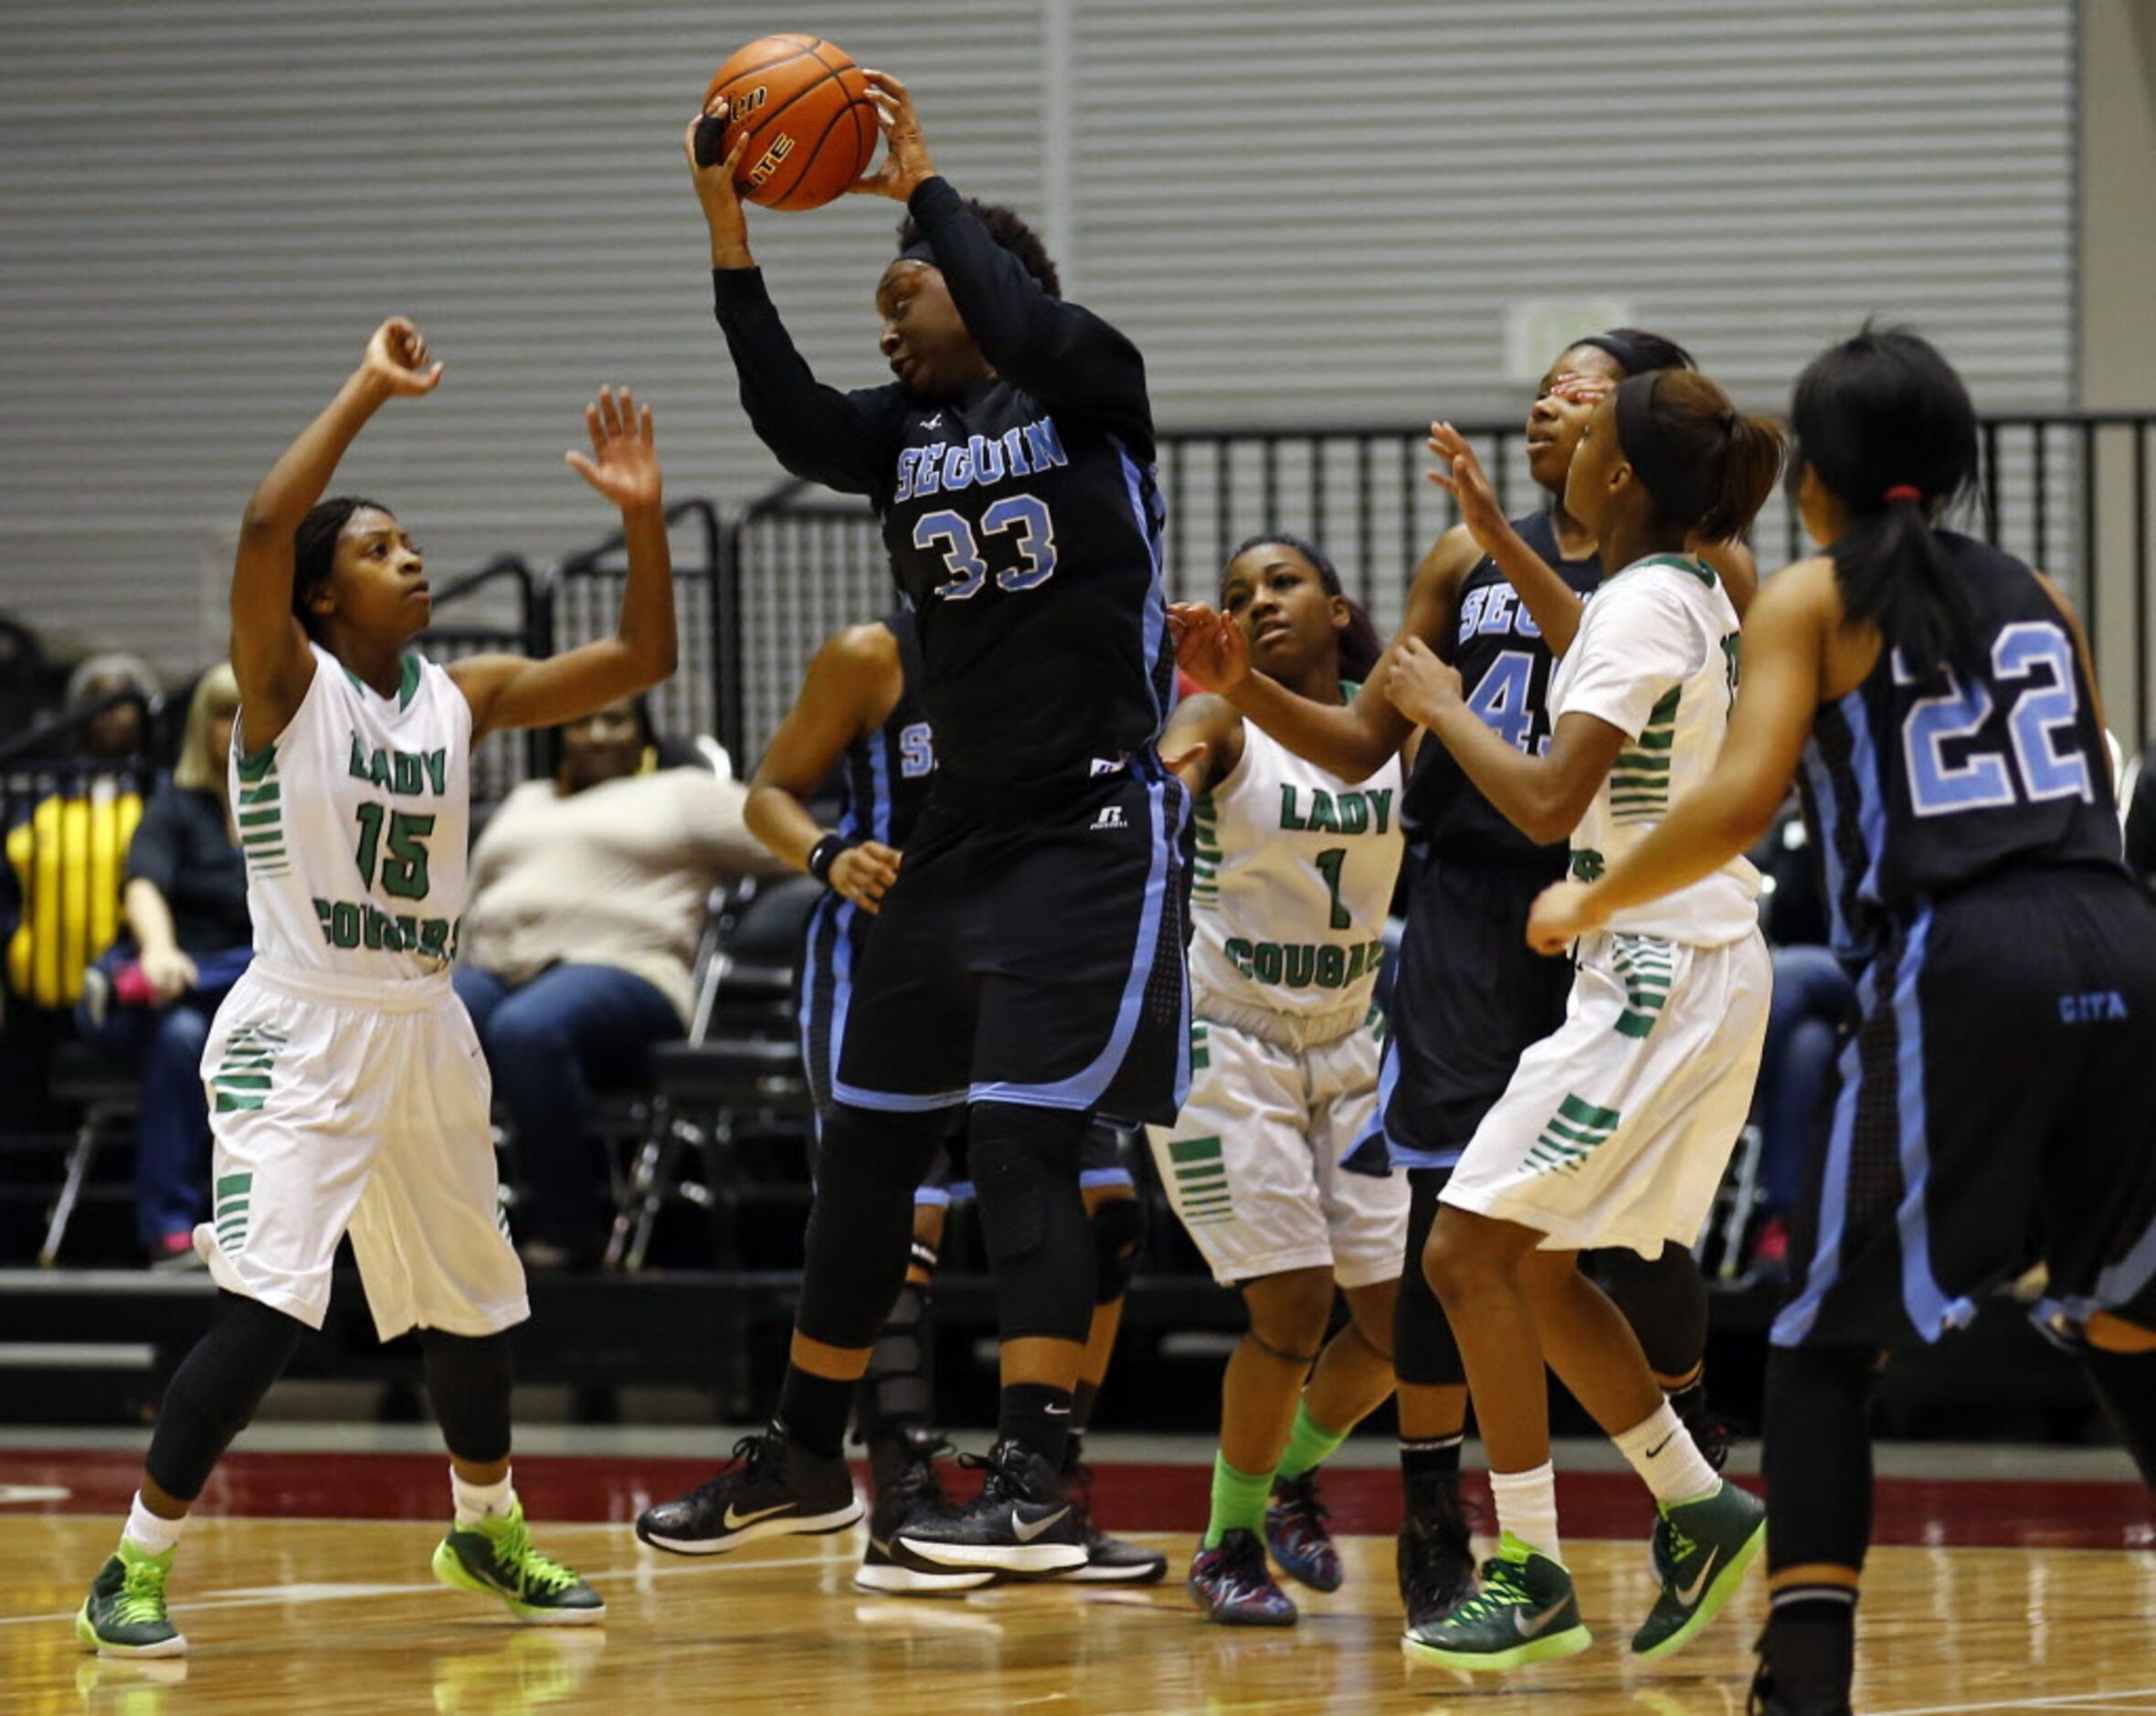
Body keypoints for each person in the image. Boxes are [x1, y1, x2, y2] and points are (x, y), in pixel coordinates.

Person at [1526, 326, 2156, 1716]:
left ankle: (1801, 1677)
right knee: (2126, 1319)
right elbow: (2095, 805)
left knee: (1818, 1349)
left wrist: (1593, 897)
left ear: (1814, 479)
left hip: (1969, 956)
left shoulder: (1812, 595)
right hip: (2123, 939)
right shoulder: (2043, 588)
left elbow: (1740, 805)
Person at [637, 70, 1188, 1580]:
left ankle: (1034, 1481)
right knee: (869, 1161)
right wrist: (724, 225)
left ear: (987, 289)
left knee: (1022, 1141)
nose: (887, 322)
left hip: (1091, 826)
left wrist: (926, 189)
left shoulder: (1094, 388)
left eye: (908, 294)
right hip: (954, 842)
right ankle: (806, 1459)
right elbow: (789, 412)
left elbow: (1021, 321)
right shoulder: (904, 432)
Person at [73, 318, 679, 1656]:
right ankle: (132, 1563)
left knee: (471, 1293)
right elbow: (259, 520)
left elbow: (639, 665)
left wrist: (642, 521)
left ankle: (485, 1523)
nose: (411, 559)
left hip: (426, 1022)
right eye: (376, 546)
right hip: (301, 1022)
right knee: (272, 1301)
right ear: (319, 594)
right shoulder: (286, 689)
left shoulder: (457, 694)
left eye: (411, 542)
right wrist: (368, 388)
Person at [1169, 331, 1749, 1636]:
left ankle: (1678, 1472)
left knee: (1604, 1247)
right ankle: (1462, 1527)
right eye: (1544, 387)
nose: (1549, 405)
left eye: (1583, 391)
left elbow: (1577, 771)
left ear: (1638, 437)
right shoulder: (1473, 560)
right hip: (1488, 918)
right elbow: (1374, 738)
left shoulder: (1683, 576)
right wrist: (1245, 684)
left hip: (1616, 914)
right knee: (1470, 1240)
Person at [1367, 364, 1781, 1670]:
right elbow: (1595, 638)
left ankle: (1533, 1565)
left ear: (1619, 481)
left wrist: (1438, 707)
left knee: (1461, 1254)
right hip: (1685, 961)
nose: (1566, 440)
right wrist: (1496, 538)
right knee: (1530, 1265)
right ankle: (1698, 1503)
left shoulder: (1642, 605)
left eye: (1587, 431)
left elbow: (1547, 802)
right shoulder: (1683, 587)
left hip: (1659, 968)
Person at [661, 607, 1162, 1593]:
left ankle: (1045, 1484)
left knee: (1104, 1216)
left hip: (1037, 953)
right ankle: (901, 1493)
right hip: (885, 960)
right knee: (900, 1213)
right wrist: (824, 854)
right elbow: (768, 793)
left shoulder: (1071, 638)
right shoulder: (872, 655)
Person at [1152, 535, 1406, 1626]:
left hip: (1354, 1034)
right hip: (1228, 1036)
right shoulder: (1219, 714)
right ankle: (1228, 1539)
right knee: (1293, 1304)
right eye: (1238, 594)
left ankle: (1293, 1470)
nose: (1258, 603)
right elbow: (1169, 774)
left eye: (1282, 584)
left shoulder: (1388, 716)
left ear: (1340, 609)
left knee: (1403, 1323)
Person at [454, 695, 785, 1271]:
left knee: (526, 1029)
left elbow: (791, 839)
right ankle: (435, 1230)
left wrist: (849, 857)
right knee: (420, 1026)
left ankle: (567, 1230)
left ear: (645, 734)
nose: (598, 734)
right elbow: (467, 895)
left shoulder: (681, 791)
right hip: (499, 966)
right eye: (581, 720)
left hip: (625, 971)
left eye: (616, 720)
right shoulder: (527, 799)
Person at [76, 663, 253, 1266]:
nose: (237, 727)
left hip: (245, 991)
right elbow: (144, 886)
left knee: (262, 975)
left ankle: (122, 983)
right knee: (183, 1037)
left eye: (250, 711)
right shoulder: (175, 808)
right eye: (225, 713)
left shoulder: (283, 808)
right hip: (165, 989)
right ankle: (169, 1227)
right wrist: (155, 951)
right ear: (201, 725)